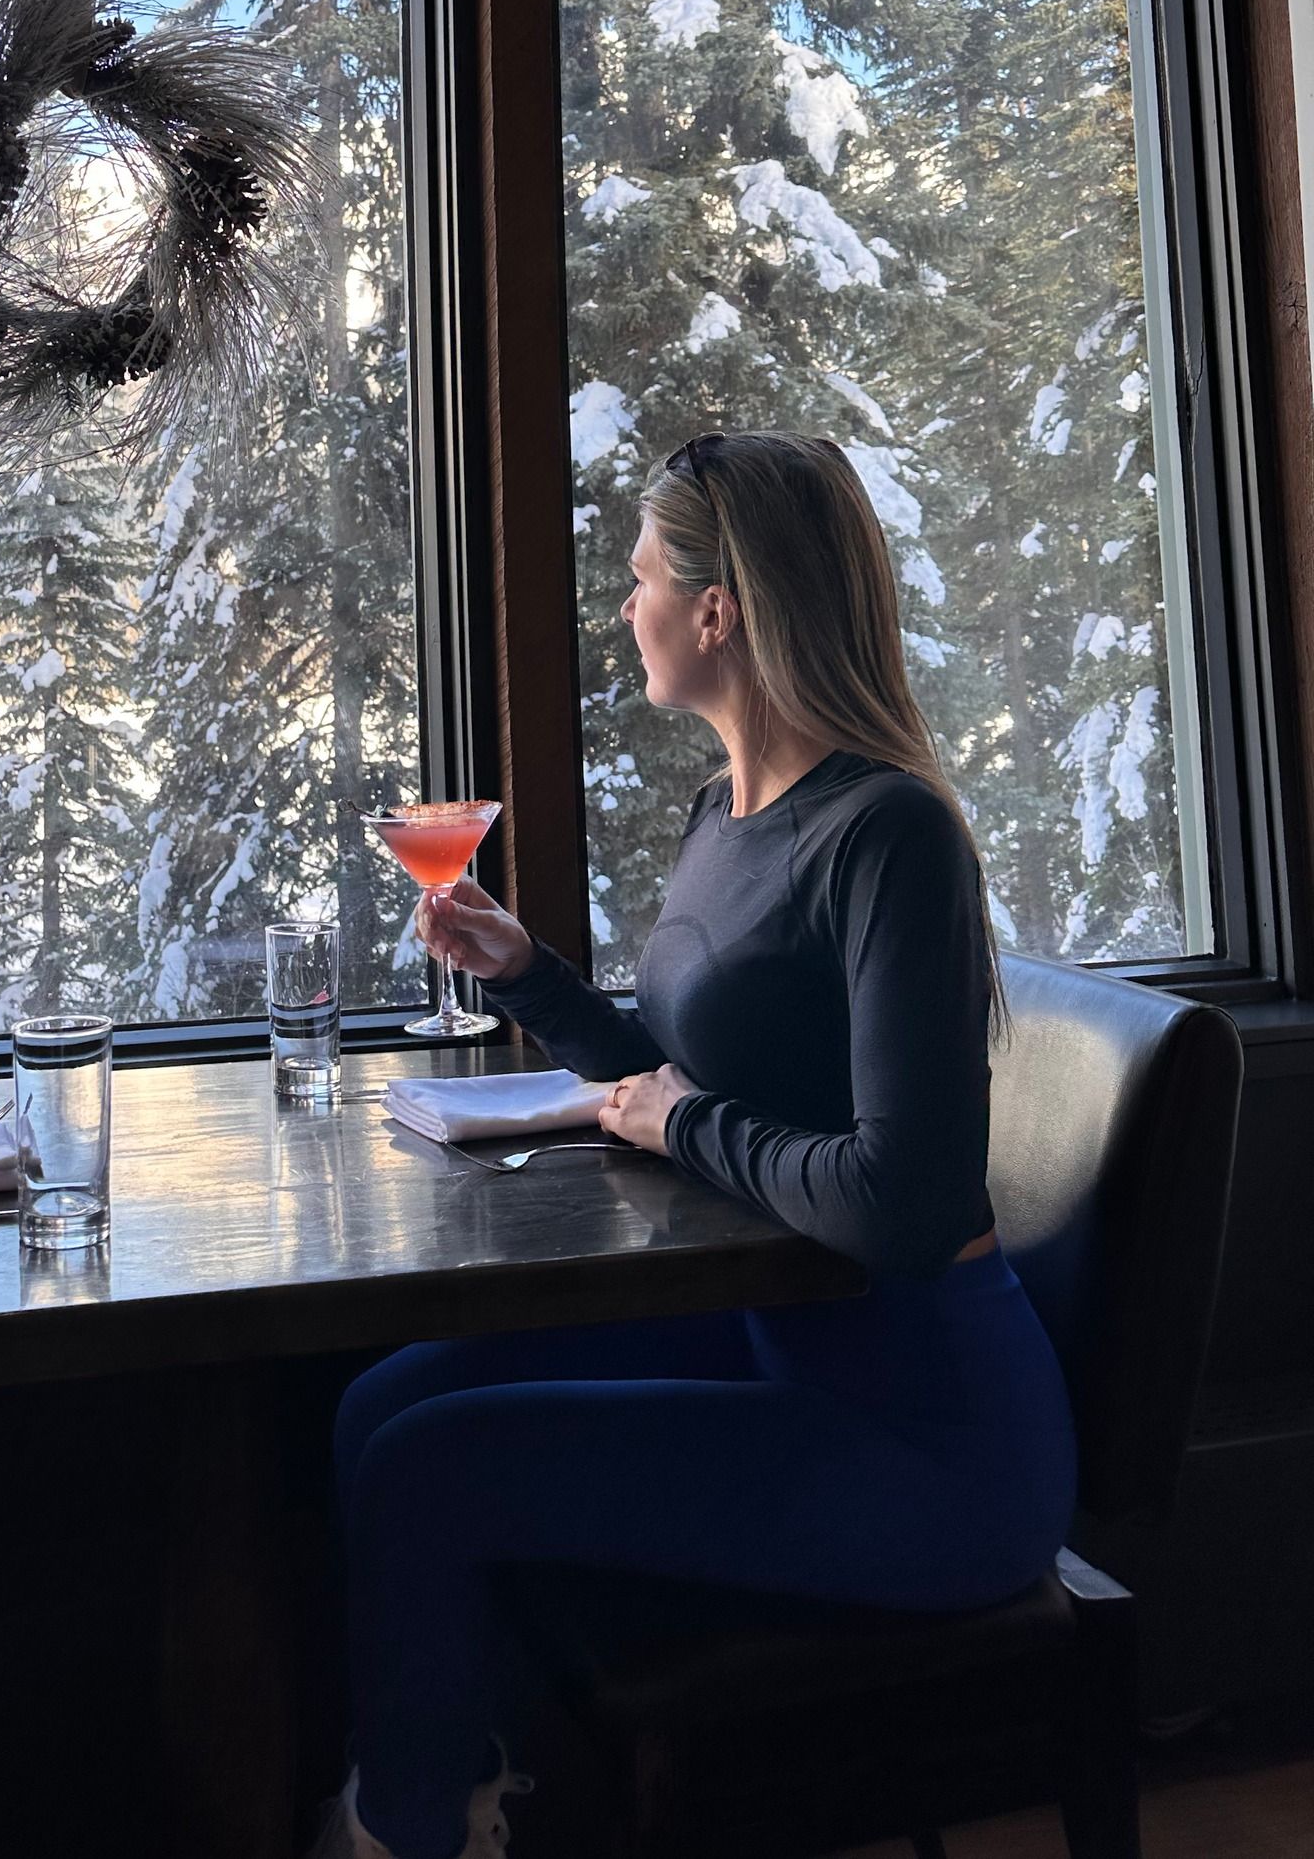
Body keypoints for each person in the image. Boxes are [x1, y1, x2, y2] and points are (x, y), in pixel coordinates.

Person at [309, 433, 1078, 1859]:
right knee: (379, 1406)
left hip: (932, 1437)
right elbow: (682, 1078)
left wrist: (690, 1123)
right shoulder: (721, 816)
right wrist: (531, 974)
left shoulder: (889, 835)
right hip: (781, 1348)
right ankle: (453, 1784)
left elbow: (902, 1207)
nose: (627, 605)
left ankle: (403, 1834)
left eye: (644, 575)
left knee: (429, 1472)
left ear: (717, 611)